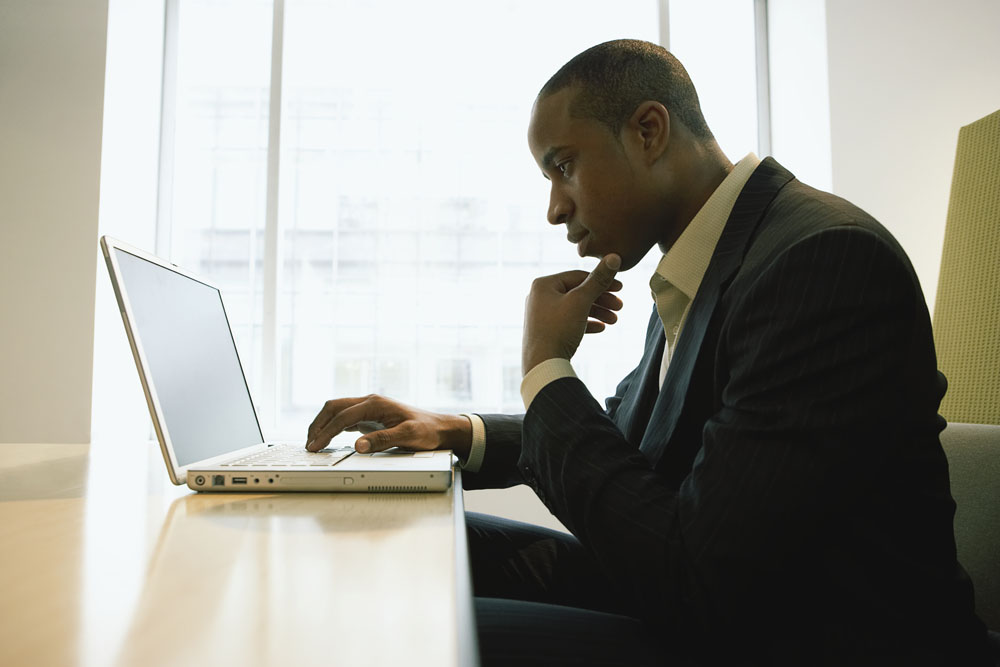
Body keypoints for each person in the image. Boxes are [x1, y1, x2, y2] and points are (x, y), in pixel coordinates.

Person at [305, 40, 992, 665]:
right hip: (720, 603)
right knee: (433, 554)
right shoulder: (702, 261)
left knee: (416, 626)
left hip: (809, 639)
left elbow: (698, 576)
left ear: (648, 131)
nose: (554, 208)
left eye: (562, 166)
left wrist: (545, 368)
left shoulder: (819, 260)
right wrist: (461, 432)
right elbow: (628, 444)